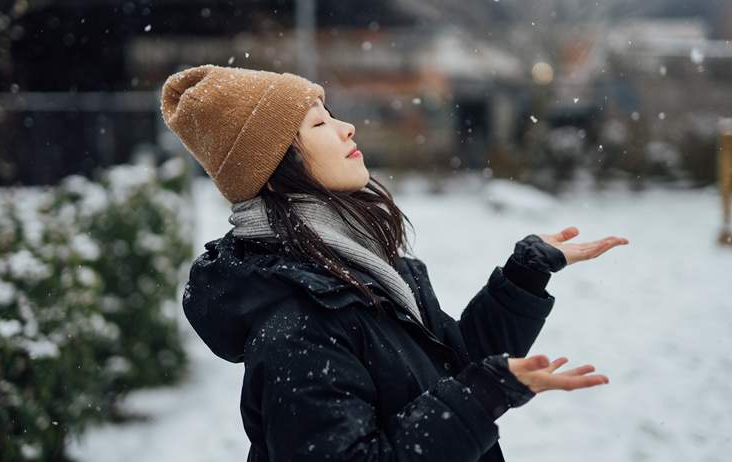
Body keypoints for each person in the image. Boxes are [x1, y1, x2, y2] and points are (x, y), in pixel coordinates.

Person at [160, 64, 629, 462]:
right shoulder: (298, 322)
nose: (347, 128)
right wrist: (479, 397)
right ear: (276, 170)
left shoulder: (361, 268)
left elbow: (448, 363)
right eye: (319, 125)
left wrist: (524, 276)